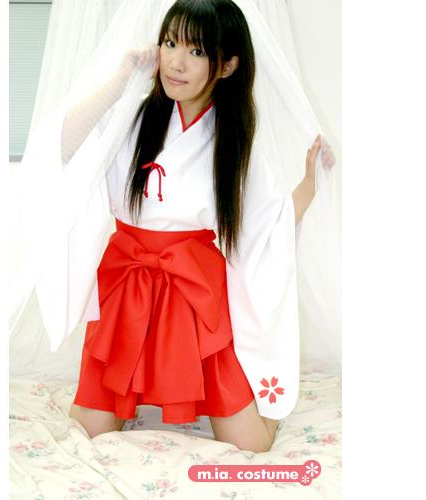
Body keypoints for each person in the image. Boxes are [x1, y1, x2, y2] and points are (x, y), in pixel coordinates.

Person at [64, 0, 324, 453]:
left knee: (252, 445)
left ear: (227, 65)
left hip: (194, 291)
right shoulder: (133, 117)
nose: (176, 62)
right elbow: (64, 144)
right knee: (89, 433)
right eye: (170, 43)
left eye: (196, 51)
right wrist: (123, 77)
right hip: (126, 285)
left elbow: (269, 226)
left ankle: (245, 400)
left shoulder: (233, 140)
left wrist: (310, 184)